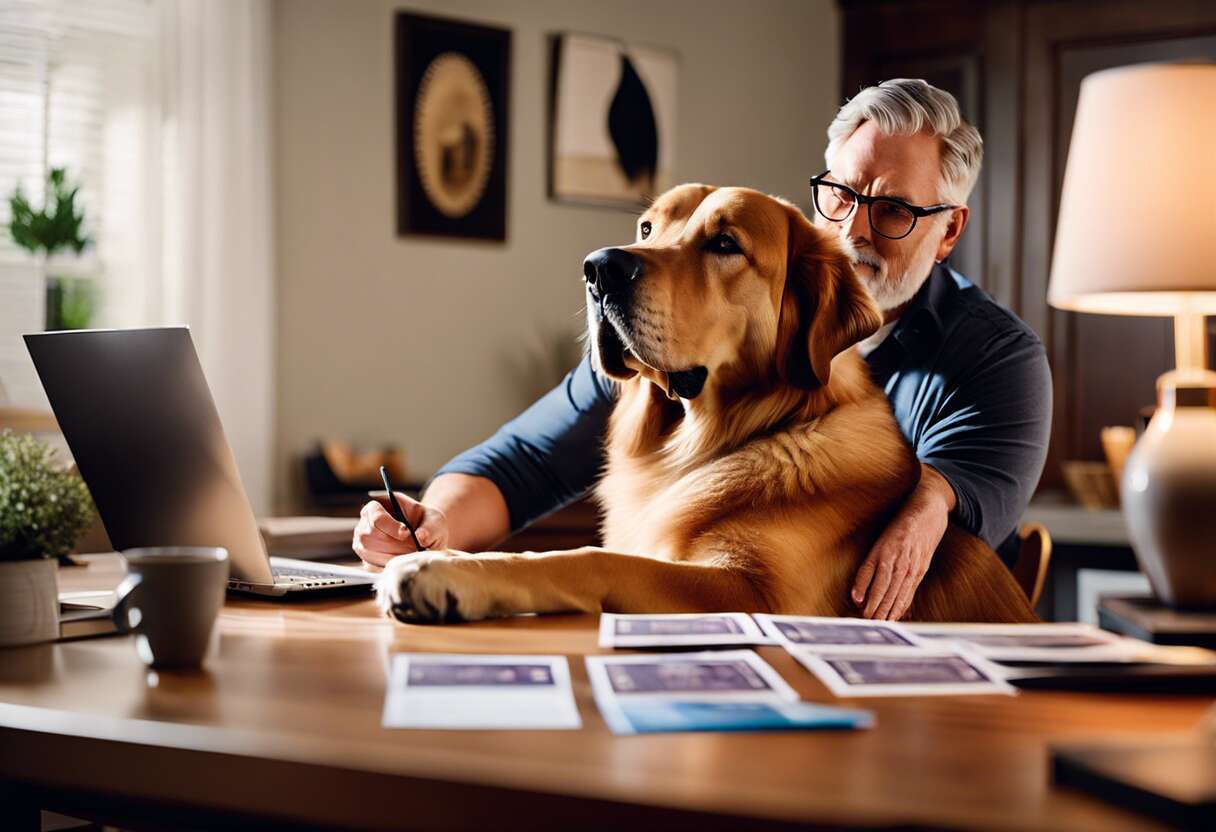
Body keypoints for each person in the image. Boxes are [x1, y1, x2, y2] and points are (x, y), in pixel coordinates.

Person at [352, 78, 1052, 622]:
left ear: (950, 228)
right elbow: (527, 458)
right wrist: (434, 523)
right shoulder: (684, 349)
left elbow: (953, 500)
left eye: (894, 209)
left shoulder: (994, 356)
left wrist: (929, 500)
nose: (855, 227)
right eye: (839, 194)